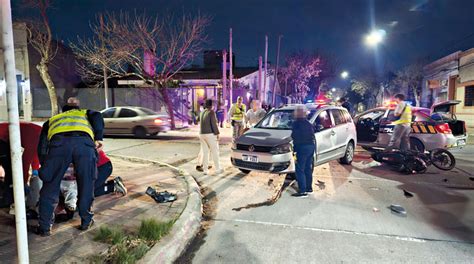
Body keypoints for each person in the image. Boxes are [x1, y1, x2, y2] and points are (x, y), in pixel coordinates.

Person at [36, 100, 104, 236]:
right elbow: (97, 115)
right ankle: (86, 221)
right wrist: (98, 137)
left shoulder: (53, 120)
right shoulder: (84, 113)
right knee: (86, 184)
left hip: (58, 146)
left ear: (63, 111)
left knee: (50, 186)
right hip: (84, 146)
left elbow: (42, 146)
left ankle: (44, 227)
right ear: (76, 108)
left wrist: (47, 168)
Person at [0, 122, 42, 208]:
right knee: (11, 170)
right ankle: (9, 198)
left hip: (6, 137)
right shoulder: (35, 135)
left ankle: (10, 196)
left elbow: (33, 158)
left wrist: (35, 170)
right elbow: (25, 163)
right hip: (2, 138)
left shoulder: (37, 133)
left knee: (11, 170)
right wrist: (23, 183)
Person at [291, 105, 316, 198]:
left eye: (296, 112)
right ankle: (309, 188)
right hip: (310, 147)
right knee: (307, 168)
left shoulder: (296, 123)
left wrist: (294, 149)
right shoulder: (308, 123)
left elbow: (294, 136)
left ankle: (302, 191)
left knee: (299, 169)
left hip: (301, 148)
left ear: (298, 113)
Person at [199, 99, 222, 175]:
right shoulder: (211, 112)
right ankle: (218, 169)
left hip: (201, 134)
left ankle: (205, 170)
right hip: (210, 134)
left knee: (205, 152)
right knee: (215, 151)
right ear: (211, 105)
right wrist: (217, 133)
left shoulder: (202, 112)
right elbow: (214, 124)